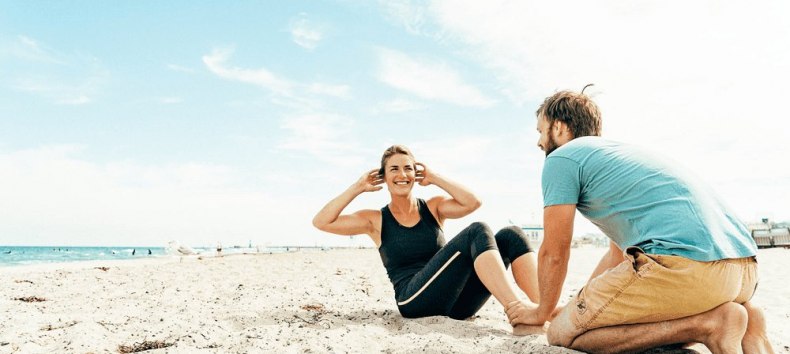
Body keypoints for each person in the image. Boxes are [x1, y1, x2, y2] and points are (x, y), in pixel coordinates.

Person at [506, 86, 774, 353]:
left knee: (561, 334)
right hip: (745, 271)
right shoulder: (620, 156)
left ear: (560, 128)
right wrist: (581, 307)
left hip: (687, 269)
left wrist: (542, 312)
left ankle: (710, 323)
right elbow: (617, 255)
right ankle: (750, 322)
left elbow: (554, 251)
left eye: (541, 131)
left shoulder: (561, 159)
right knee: (580, 322)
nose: (539, 142)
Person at [313, 145, 541, 335]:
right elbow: (322, 221)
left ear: (416, 173)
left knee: (511, 235)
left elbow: (473, 202)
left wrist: (434, 178)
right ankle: (517, 311)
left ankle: (542, 310)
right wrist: (357, 187)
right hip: (413, 301)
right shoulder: (375, 220)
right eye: (394, 169)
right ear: (384, 176)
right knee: (478, 230)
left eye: (408, 169)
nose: (402, 175)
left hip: (456, 303)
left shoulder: (433, 208)